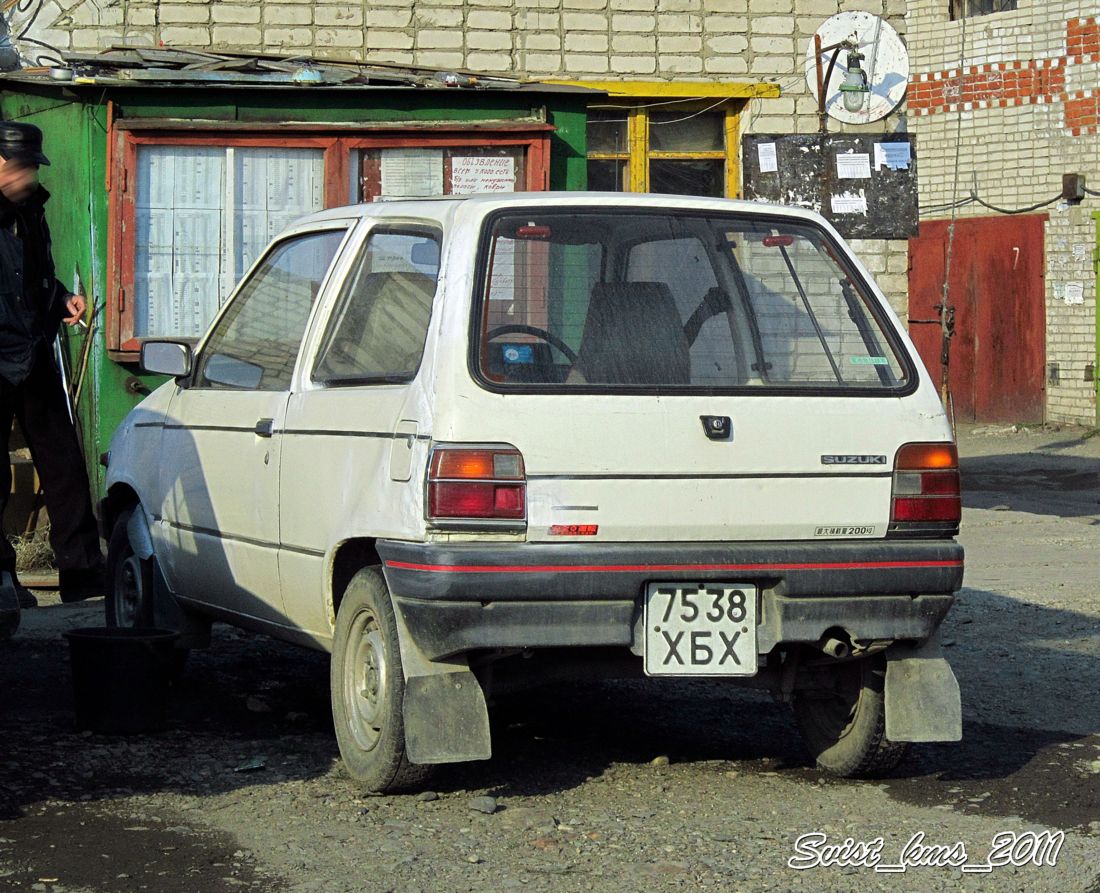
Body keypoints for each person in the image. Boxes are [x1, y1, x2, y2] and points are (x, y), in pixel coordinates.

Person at [0, 121, 104, 629]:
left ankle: (83, 579)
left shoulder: (31, 211)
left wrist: (61, 296)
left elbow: (35, 274)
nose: (28, 176)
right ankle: (3, 579)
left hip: (34, 352)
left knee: (64, 466)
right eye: (22, 166)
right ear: (0, 163)